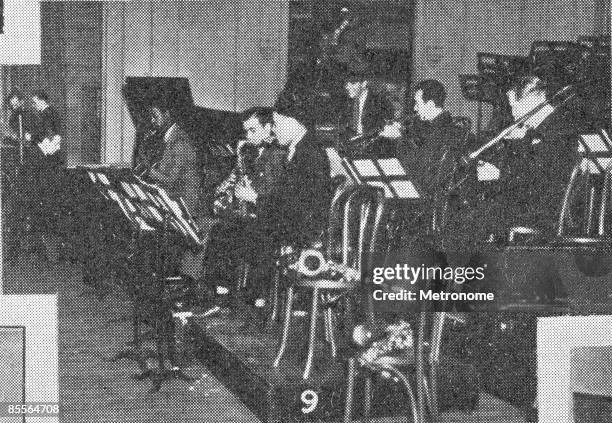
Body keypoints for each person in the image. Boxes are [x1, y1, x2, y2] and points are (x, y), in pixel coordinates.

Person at [343, 69, 402, 157]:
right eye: (347, 84)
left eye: (352, 83)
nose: (347, 87)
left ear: (364, 83)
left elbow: (386, 131)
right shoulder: (348, 103)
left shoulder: (380, 102)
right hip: (354, 150)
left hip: (374, 153)